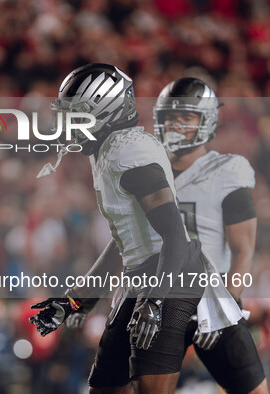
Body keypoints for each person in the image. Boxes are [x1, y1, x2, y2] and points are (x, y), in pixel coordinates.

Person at [29, 64, 241, 393]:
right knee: (104, 388)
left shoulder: (130, 156)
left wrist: (154, 301)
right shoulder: (107, 150)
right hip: (144, 276)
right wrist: (74, 302)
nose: (69, 126)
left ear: (107, 112)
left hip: (170, 277)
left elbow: (173, 236)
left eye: (78, 116)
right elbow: (123, 245)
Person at [152, 77, 268, 393]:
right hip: (158, 303)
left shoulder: (226, 172)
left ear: (206, 121)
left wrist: (224, 309)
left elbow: (244, 251)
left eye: (185, 117)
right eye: (170, 116)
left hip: (212, 299)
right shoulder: (146, 173)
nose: (175, 125)